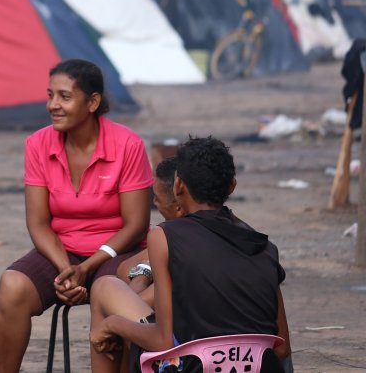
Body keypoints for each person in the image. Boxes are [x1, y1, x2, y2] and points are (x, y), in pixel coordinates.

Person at [0, 59, 153, 373]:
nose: (53, 105)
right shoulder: (37, 144)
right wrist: (67, 269)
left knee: (115, 295)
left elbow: (136, 225)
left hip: (119, 251)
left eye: (64, 97)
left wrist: (88, 266)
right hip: (61, 253)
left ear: (92, 102)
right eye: (50, 95)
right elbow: (37, 222)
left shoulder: (127, 145)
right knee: (11, 286)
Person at [89, 137, 292, 373]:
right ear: (232, 186)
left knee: (104, 287)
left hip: (192, 365)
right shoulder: (265, 247)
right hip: (258, 366)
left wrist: (112, 324)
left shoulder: (164, 236)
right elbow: (281, 347)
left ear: (178, 185)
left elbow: (162, 340)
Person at [120, 157, 184, 300]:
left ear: (178, 206)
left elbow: (132, 303)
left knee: (104, 289)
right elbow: (123, 268)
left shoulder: (171, 238)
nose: (155, 202)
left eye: (157, 198)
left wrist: (145, 272)